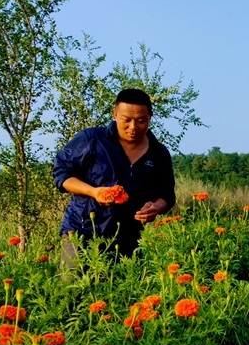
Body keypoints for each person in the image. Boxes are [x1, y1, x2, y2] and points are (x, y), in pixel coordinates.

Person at [53, 88, 176, 266]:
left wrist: (155, 207)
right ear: (115, 114)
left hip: (130, 238)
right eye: (127, 120)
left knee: (120, 291)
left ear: (151, 116)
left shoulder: (158, 153)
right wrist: (94, 192)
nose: (133, 127)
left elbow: (167, 193)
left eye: (141, 120)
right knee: (73, 291)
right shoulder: (92, 139)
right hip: (82, 233)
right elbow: (62, 174)